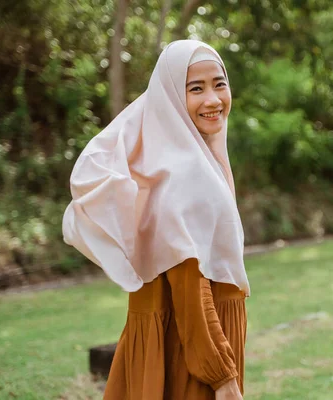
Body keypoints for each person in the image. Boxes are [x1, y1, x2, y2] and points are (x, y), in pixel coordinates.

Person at [62, 40, 249, 399]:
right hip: (189, 357)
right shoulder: (184, 173)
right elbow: (191, 289)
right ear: (171, 98)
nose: (212, 99)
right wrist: (223, 378)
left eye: (219, 83)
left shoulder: (166, 164)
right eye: (195, 88)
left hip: (182, 345)